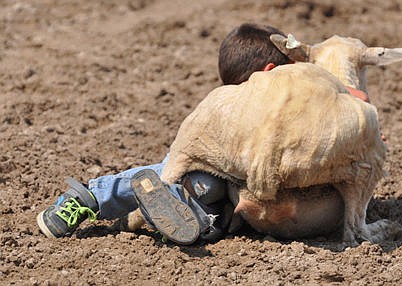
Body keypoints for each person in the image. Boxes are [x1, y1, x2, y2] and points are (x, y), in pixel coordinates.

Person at [36, 23, 294, 245]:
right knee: (190, 180)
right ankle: (91, 197)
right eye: (291, 72)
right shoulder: (219, 111)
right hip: (197, 171)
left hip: (231, 189)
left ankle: (184, 219)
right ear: (268, 73)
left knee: (213, 213)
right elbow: (178, 162)